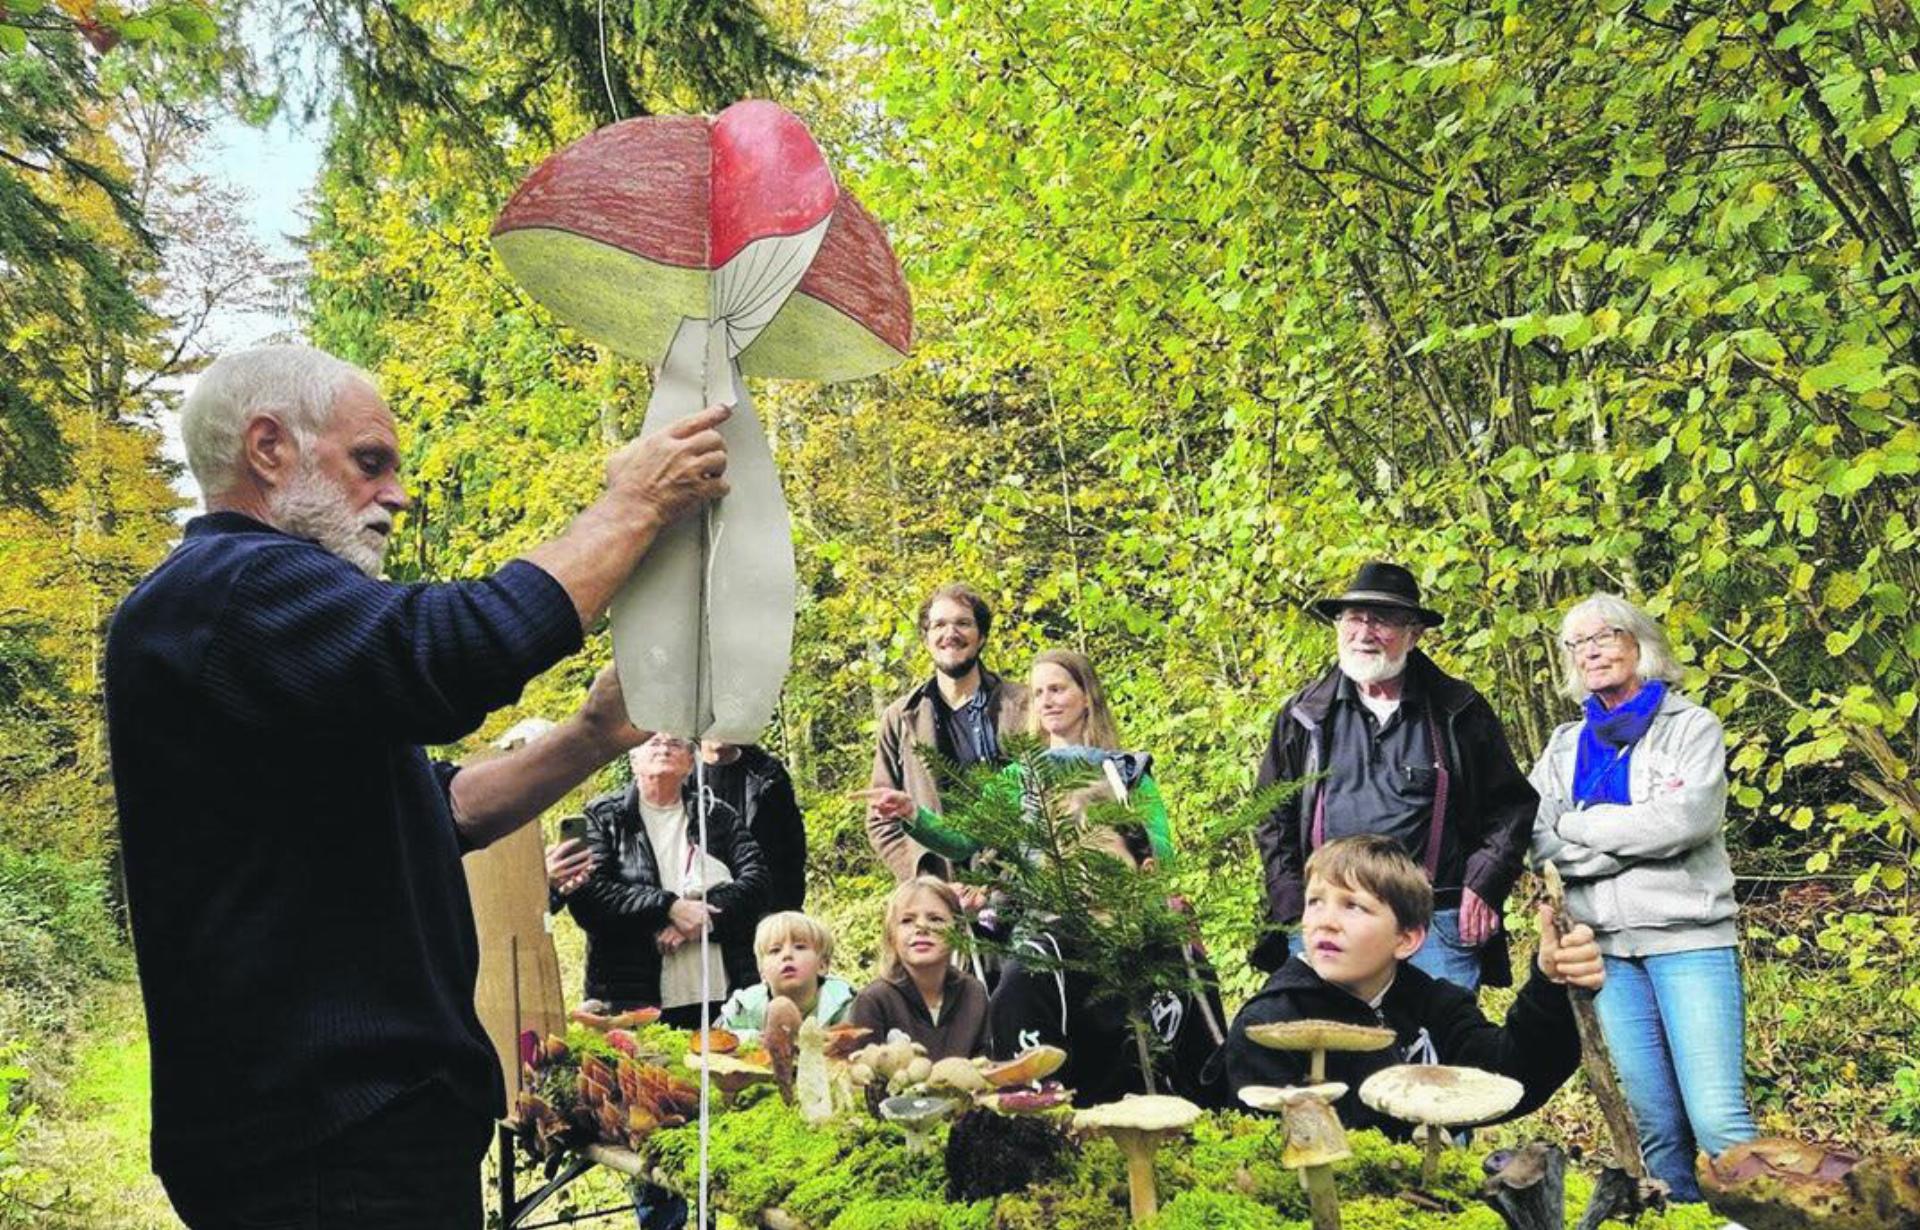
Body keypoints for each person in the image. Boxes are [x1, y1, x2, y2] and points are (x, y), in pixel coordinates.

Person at [104, 344, 729, 1229]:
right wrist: (634, 503)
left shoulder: (252, 623)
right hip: (322, 1143)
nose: (396, 494)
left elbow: (438, 809)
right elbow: (450, 650)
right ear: (269, 448)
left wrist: (591, 737)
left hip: (348, 1138)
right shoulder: (233, 586)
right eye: (370, 462)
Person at [1529, 593, 1758, 1201]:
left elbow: (1684, 823)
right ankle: (1680, 1216)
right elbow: (1535, 837)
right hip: (1603, 951)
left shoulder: (1691, 728)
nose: (1593, 649)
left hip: (1689, 941)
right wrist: (1626, 834)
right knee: (1656, 1125)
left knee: (1718, 1120)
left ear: (1639, 643)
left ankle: (1758, 1218)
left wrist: (1580, 827)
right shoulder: (1563, 746)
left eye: (1605, 634)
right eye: (1578, 643)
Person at [1250, 561, 1537, 991]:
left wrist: (1483, 884)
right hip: (1331, 920)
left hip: (1432, 923)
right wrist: (1293, 904)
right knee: (1339, 1051)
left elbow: (1511, 807)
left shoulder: (1457, 710)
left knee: (1433, 1052)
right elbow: (1272, 814)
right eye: (1354, 618)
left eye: (1381, 620)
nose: (1364, 632)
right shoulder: (1305, 716)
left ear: (1414, 633)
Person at [1224, 835, 1604, 1136]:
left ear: (1406, 939)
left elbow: (1511, 1075)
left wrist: (1550, 984)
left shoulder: (1434, 1005)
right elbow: (1262, 1146)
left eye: (1353, 906)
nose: (1325, 921)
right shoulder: (1269, 1024)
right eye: (1315, 902)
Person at [985, 820, 1229, 1106]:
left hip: (1182, 1140)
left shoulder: (1183, 960)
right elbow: (1027, 1108)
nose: (1088, 878)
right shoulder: (1036, 974)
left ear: (1146, 872)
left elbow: (1212, 1079)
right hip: (1081, 1142)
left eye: (1104, 862)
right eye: (1077, 864)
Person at [863, 647, 1174, 871]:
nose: (1046, 701)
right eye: (1038, 693)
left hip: (1126, 919)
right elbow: (963, 839)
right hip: (1049, 927)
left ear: (1086, 697)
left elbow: (1163, 849)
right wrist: (912, 813)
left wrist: (1118, 851)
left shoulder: (1125, 771)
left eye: (1057, 689)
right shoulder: (1021, 777)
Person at [566, 733, 769, 1028]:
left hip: (720, 992)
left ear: (691, 762)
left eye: (675, 743)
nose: (664, 748)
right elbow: (587, 898)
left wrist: (700, 917)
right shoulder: (598, 817)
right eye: (654, 743)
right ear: (633, 760)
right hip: (630, 997)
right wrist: (668, 907)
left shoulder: (717, 814)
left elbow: (758, 882)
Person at [866, 582, 1028, 884]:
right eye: (939, 624)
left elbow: (1044, 797)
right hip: (939, 897)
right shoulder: (900, 718)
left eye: (963, 623)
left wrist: (1013, 880)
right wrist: (925, 880)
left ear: (981, 637)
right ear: (926, 638)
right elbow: (881, 818)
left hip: (1019, 888)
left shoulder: (1023, 707)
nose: (950, 633)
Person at [849, 877, 991, 1061]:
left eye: (936, 919)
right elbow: (862, 1080)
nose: (922, 927)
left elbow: (985, 1071)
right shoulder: (873, 1001)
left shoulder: (974, 993)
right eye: (907, 920)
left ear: (959, 932)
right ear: (892, 936)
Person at [702, 741, 808, 911]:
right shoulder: (678, 776)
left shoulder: (768, 776)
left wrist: (788, 909)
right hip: (700, 913)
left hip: (764, 908)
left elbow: (792, 850)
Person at [718, 911, 856, 1039]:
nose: (787, 955)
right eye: (775, 950)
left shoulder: (844, 1002)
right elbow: (719, 1040)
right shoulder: (744, 1006)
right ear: (762, 971)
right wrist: (755, 1039)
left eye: (800, 947)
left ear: (822, 965)